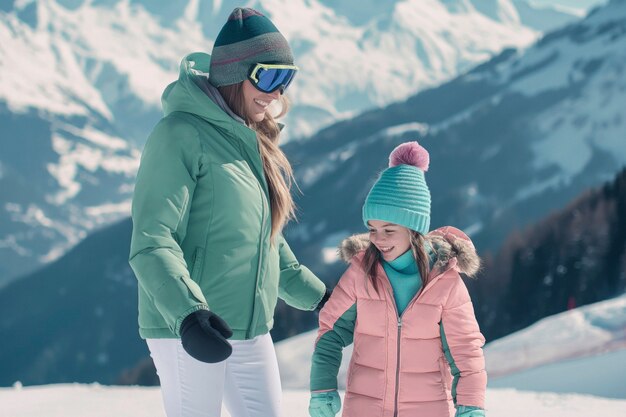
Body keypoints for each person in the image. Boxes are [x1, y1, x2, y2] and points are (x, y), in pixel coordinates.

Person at [129, 7, 330, 417]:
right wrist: (189, 315)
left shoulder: (249, 141)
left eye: (286, 79)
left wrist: (323, 300)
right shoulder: (179, 135)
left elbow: (267, 245)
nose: (278, 94)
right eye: (270, 77)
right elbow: (151, 241)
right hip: (189, 328)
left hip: (250, 327)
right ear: (236, 74)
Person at [308, 142, 487, 417]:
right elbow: (330, 332)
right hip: (364, 408)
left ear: (414, 229)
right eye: (372, 229)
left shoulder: (446, 282)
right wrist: (322, 388)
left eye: (389, 230)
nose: (378, 239)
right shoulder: (361, 272)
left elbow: (465, 352)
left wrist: (471, 405)